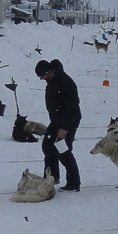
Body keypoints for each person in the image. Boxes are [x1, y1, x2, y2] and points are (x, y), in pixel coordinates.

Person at [35, 59, 82, 192]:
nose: (41, 79)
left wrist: (65, 128)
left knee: (62, 150)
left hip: (69, 120)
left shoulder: (65, 82)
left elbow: (72, 107)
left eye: (41, 76)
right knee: (48, 145)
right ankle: (52, 177)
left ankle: (74, 183)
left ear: (48, 72)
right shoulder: (52, 80)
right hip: (57, 120)